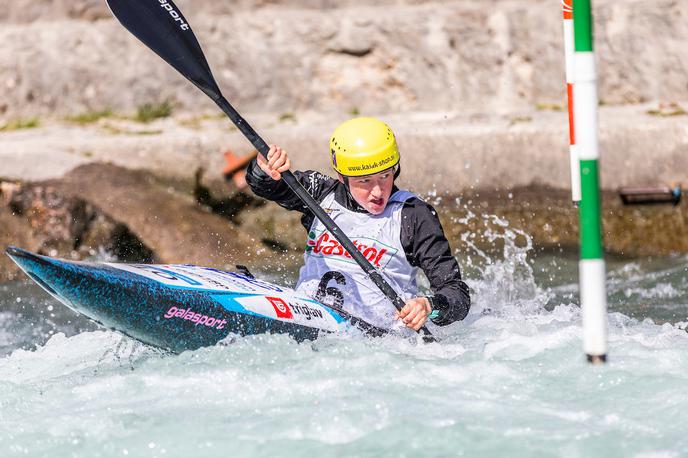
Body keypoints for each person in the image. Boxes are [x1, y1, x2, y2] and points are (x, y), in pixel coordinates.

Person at [246, 117, 470, 333]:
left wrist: (428, 306)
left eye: (385, 176)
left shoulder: (413, 215)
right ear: (342, 176)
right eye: (364, 181)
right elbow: (265, 186)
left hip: (378, 342)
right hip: (308, 322)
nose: (377, 191)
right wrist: (264, 168)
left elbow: (457, 294)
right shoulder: (320, 193)